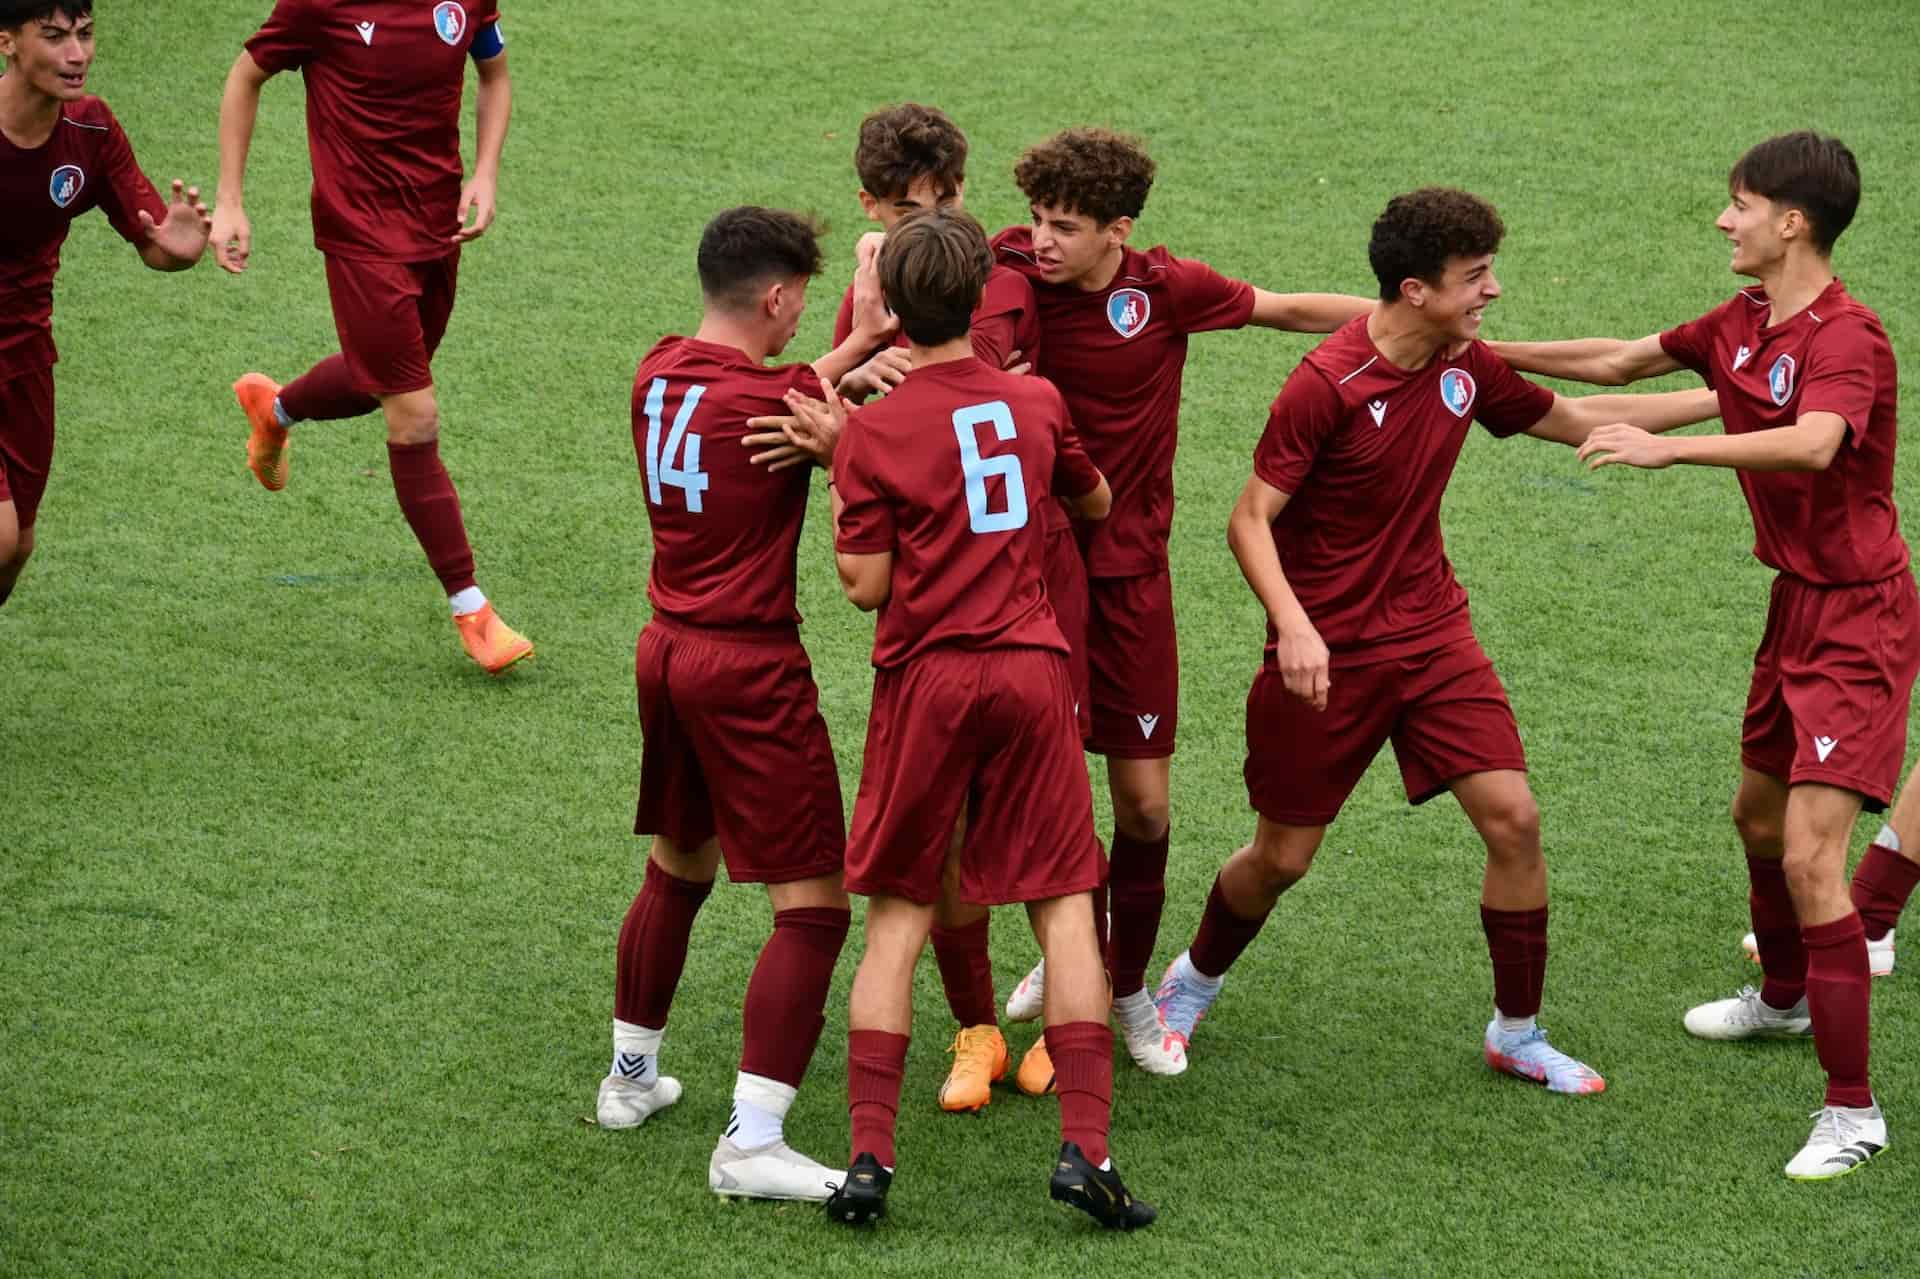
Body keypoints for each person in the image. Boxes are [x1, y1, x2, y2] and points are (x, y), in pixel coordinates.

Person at [1148, 186, 1724, 1104]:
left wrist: (1727, 399)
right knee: (1281, 860)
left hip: (1432, 633)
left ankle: (1517, 1032)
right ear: (1415, 289)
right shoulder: (1325, 384)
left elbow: (1575, 421)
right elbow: (1250, 518)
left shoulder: (1464, 364)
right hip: (1330, 655)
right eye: (1474, 277)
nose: (1490, 291)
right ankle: (1194, 978)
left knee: (1515, 819)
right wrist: (1294, 625)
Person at [1489, 132, 1915, 1179]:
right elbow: (1620, 362)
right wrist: (1475, 349)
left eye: (1739, 205)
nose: (1725, 221)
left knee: (1815, 858)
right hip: (1796, 608)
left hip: (1860, 619)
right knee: (1756, 817)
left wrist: (1669, 446)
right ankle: (1780, 1000)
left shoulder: (1847, 338)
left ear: (1792, 223)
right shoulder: (1743, 321)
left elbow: (1817, 440)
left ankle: (1853, 1113)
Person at [779, 206, 1150, 1229]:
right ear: (986, 292)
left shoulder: (878, 428)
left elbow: (864, 584)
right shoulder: (1035, 401)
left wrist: (851, 462)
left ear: (891, 306)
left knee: (898, 917)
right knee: (1065, 904)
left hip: (928, 680)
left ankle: (868, 1161)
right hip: (1030, 670)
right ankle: (1087, 1150)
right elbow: (1096, 501)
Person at [990, 127, 1375, 1088]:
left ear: (1119, 230)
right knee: (1049, 802)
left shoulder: (1165, 290)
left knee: (1147, 809)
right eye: (1038, 219)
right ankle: (1077, 951)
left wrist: (1410, 322)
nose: (1043, 240)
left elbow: (1285, 309)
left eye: (1065, 227)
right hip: (1030, 580)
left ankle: (1125, 988)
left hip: (1132, 582)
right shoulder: (1009, 272)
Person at [597, 205, 897, 1203]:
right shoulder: (772, 407)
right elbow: (823, 422)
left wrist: (853, 339)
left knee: (679, 863)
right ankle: (752, 1142)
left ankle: (629, 1077)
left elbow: (789, 378)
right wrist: (848, 439)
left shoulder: (657, 367)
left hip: (666, 651)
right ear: (775, 298)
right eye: (797, 304)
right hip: (747, 669)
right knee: (812, 909)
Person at [210, 1, 529, 673]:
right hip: (360, 235)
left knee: (379, 379)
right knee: (414, 414)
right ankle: (471, 608)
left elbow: (494, 73)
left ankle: (275, 409)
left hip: (438, 224)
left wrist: (487, 171)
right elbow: (246, 76)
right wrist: (231, 198)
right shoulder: (319, 7)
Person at [0, 0, 209, 610]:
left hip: (26, 360)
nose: (77, 55)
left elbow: (152, 241)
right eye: (55, 36)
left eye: (85, 35)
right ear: (8, 41)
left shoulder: (90, 129)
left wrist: (179, 246)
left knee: (18, 550)